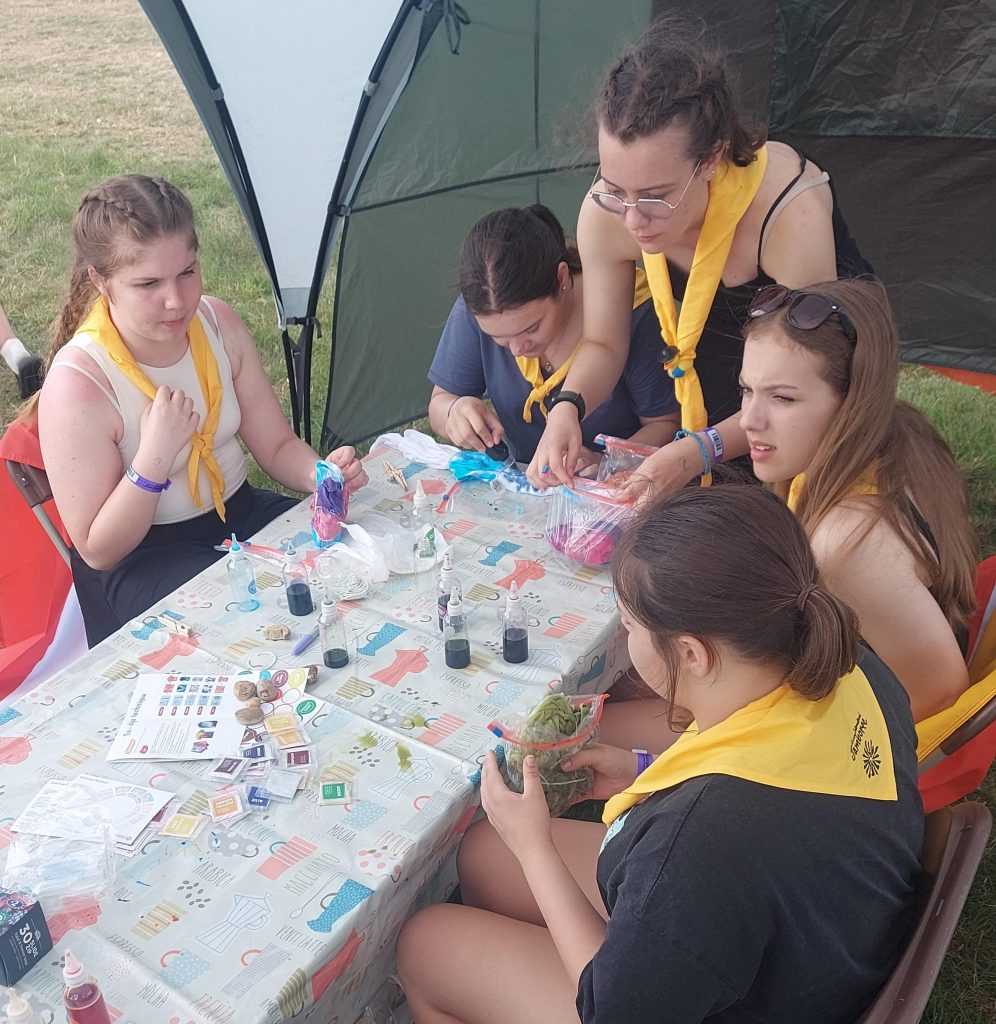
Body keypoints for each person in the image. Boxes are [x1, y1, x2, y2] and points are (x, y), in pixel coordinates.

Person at [396, 485, 923, 1023]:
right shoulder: (843, 658)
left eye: (628, 627)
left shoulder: (701, 844)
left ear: (692, 654)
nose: (626, 642)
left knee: (425, 944)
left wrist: (535, 849)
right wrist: (645, 771)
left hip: (739, 993)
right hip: (802, 934)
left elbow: (614, 1010)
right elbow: (769, 774)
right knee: (485, 851)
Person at [526, 15, 871, 492]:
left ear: (712, 159)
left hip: (813, 381)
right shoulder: (606, 212)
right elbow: (605, 344)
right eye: (614, 188)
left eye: (655, 195)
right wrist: (568, 408)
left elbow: (803, 389)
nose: (631, 219)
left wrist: (695, 453)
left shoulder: (787, 211)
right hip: (719, 371)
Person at [30, 174, 368, 647]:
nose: (176, 300)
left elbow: (276, 445)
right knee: (263, 628)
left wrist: (322, 475)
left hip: (238, 515)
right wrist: (153, 458)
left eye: (187, 272)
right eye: (148, 283)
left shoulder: (216, 323)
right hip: (145, 556)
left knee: (353, 569)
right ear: (100, 280)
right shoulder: (80, 382)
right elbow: (98, 548)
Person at [738, 278, 977, 721]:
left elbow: (941, 693)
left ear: (852, 404)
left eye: (783, 398)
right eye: (747, 389)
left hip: (871, 748)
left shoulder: (846, 542)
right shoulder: (895, 428)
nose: (748, 420)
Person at [427, 205, 679, 471]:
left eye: (532, 328)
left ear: (561, 278)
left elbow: (666, 425)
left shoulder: (633, 313)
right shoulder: (483, 308)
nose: (517, 349)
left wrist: (609, 463)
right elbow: (439, 404)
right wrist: (455, 411)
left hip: (617, 491)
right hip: (526, 489)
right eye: (497, 337)